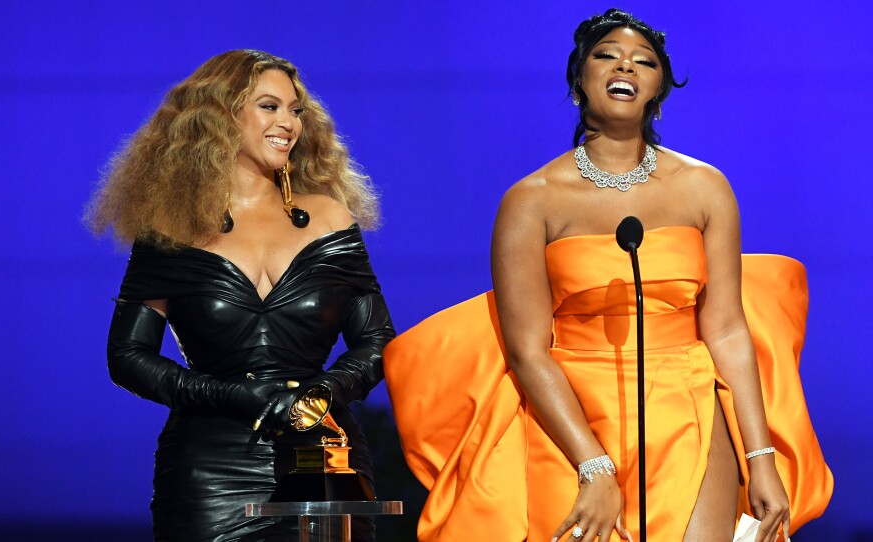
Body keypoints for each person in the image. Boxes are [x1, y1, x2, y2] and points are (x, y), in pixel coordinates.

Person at [383, 9, 831, 542]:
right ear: (580, 76)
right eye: (607, 55)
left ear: (658, 86)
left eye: (644, 61)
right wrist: (592, 467)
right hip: (571, 417)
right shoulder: (532, 200)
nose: (626, 66)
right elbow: (528, 350)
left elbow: (729, 329)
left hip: (687, 406)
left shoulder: (705, 187)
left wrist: (761, 458)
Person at [85, 49, 395, 541]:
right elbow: (127, 355)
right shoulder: (170, 229)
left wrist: (321, 395)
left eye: (295, 110)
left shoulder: (332, 218)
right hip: (209, 471)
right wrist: (226, 394)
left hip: (324, 456)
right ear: (221, 116)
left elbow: (377, 340)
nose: (288, 123)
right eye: (269, 106)